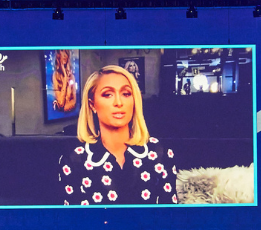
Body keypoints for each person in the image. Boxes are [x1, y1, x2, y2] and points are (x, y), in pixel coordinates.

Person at [58, 64, 177, 205]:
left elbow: (169, 217)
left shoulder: (159, 152)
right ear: (92, 104)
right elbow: (75, 222)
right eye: (108, 94)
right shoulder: (74, 160)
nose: (119, 102)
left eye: (126, 94)